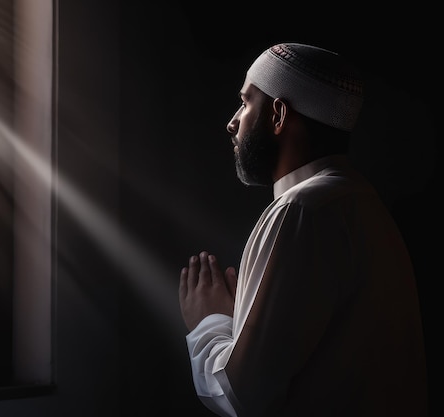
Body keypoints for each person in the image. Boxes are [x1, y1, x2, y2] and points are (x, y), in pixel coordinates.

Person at [178, 43, 428, 417]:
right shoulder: (359, 202)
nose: (233, 121)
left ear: (278, 114)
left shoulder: (301, 211)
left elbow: (242, 396)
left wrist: (209, 322)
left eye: (246, 103)